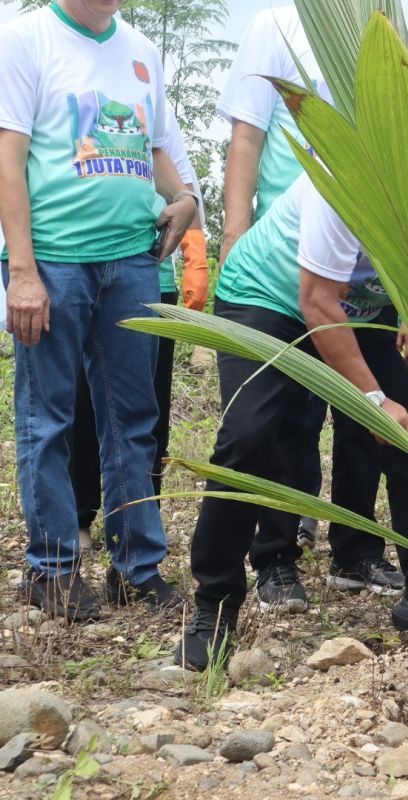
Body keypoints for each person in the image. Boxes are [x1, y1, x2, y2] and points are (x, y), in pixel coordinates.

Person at [176, 67, 408, 669]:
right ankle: (214, 604)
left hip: (358, 307)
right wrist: (375, 403)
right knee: (251, 438)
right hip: (268, 298)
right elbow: (315, 301)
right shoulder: (349, 176)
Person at [0, 0, 197, 620]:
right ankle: (52, 570)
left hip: (132, 260)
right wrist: (23, 271)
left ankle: (136, 569)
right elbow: (8, 158)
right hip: (54, 262)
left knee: (134, 419)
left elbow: (156, 148)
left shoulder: (141, 50)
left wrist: (186, 196)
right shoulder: (24, 38)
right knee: (48, 419)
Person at [216, 4, 340, 606]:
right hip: (272, 253)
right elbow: (248, 134)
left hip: (331, 259)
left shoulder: (380, 21)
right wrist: (235, 236)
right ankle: (246, 558)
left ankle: (278, 557)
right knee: (255, 420)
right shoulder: (276, 24)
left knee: (301, 420)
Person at [71, 112, 209, 552]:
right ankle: (78, 516)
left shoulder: (155, 112)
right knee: (82, 404)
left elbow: (185, 185)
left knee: (147, 411)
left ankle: (140, 521)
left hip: (150, 275)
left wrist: (196, 254)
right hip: (85, 267)